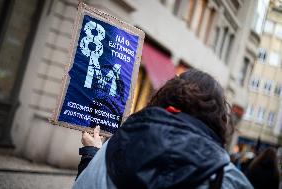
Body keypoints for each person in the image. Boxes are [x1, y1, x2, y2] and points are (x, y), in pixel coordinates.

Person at [73, 69, 253, 189]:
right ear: (218, 120)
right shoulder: (229, 179)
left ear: (165, 97)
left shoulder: (114, 147)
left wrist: (94, 156)